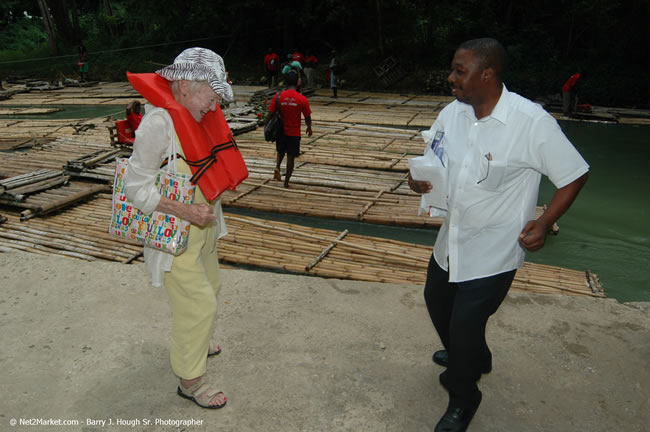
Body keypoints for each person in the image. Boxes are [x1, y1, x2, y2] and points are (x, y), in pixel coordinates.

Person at [408, 38, 589, 431]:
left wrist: (543, 223)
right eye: (453, 69)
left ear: (486, 74)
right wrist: (416, 179)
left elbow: (574, 174)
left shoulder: (531, 122)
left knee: (464, 323)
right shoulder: (452, 113)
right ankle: (473, 356)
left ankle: (463, 394)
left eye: (460, 70)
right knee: (436, 300)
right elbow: (431, 158)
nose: (451, 78)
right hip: (451, 240)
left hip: (495, 248)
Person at [123, 47, 235, 410]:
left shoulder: (197, 113)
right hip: (174, 233)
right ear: (185, 86)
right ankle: (190, 381)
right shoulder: (158, 124)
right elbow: (135, 188)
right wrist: (187, 211)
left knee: (212, 286)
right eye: (212, 96)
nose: (215, 107)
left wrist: (208, 216)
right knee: (198, 303)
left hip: (204, 226)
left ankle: (198, 342)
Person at [268, 71, 312, 188]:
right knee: (291, 157)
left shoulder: (278, 96)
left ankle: (277, 166)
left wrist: (267, 126)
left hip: (280, 130)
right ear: (298, 82)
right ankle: (286, 182)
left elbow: (270, 113)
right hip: (294, 133)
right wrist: (309, 127)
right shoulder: (302, 99)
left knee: (280, 150)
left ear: (285, 82)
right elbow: (307, 116)